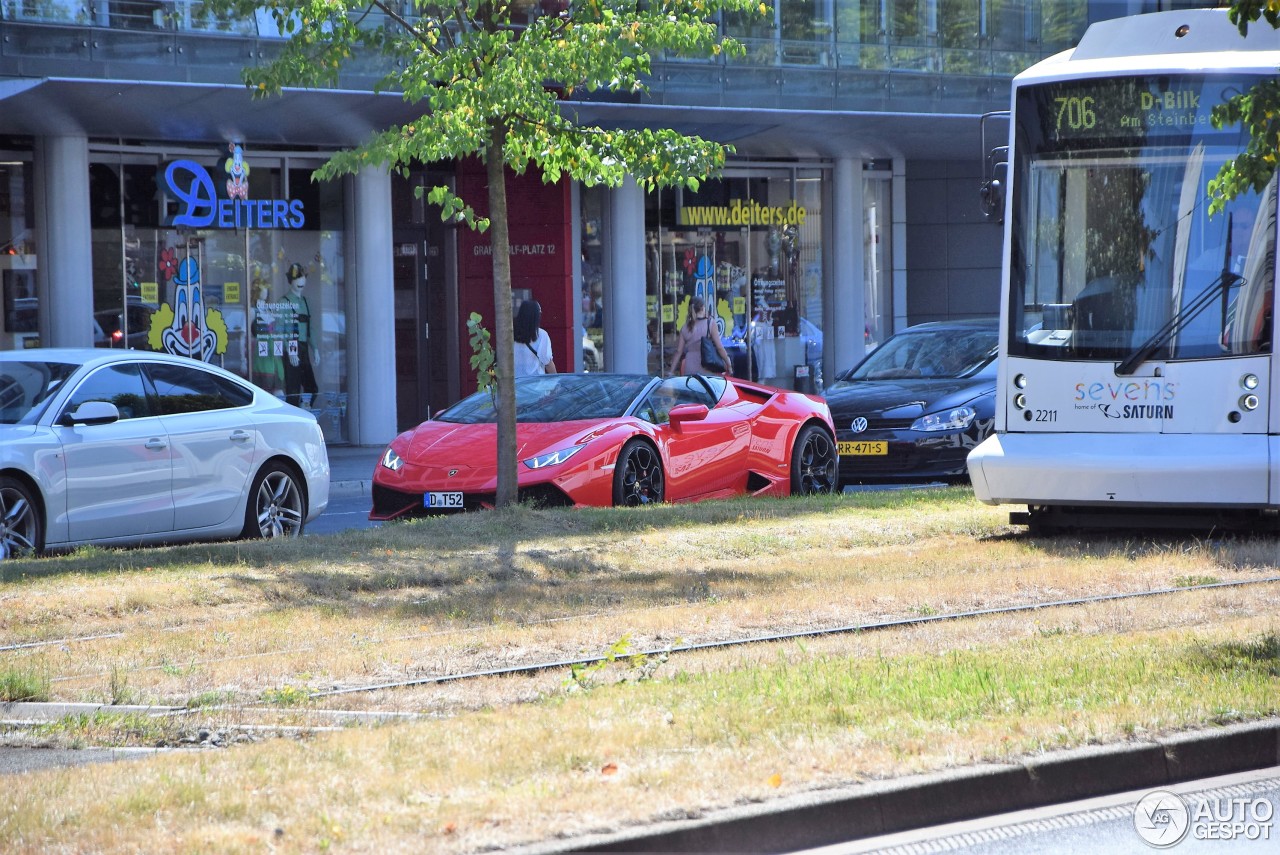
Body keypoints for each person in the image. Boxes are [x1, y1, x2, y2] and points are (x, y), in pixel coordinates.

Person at [281, 262, 319, 407]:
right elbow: (280, 331)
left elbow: (310, 329)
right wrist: (290, 351)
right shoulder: (283, 302)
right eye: (297, 278)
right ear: (291, 281)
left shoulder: (305, 302)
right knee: (293, 390)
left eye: (303, 278)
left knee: (312, 388)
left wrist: (314, 348)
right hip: (291, 349)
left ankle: (305, 410)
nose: (301, 281)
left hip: (304, 349)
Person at [669, 295, 730, 376]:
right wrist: (728, 362)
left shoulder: (685, 327)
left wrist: (671, 371)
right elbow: (719, 347)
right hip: (707, 367)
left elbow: (678, 352)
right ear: (702, 308)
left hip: (689, 367)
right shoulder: (710, 323)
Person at [513, 299, 556, 376]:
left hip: (515, 383)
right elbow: (547, 362)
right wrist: (556, 380)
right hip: (535, 384)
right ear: (535, 315)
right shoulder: (541, 335)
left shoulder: (511, 333)